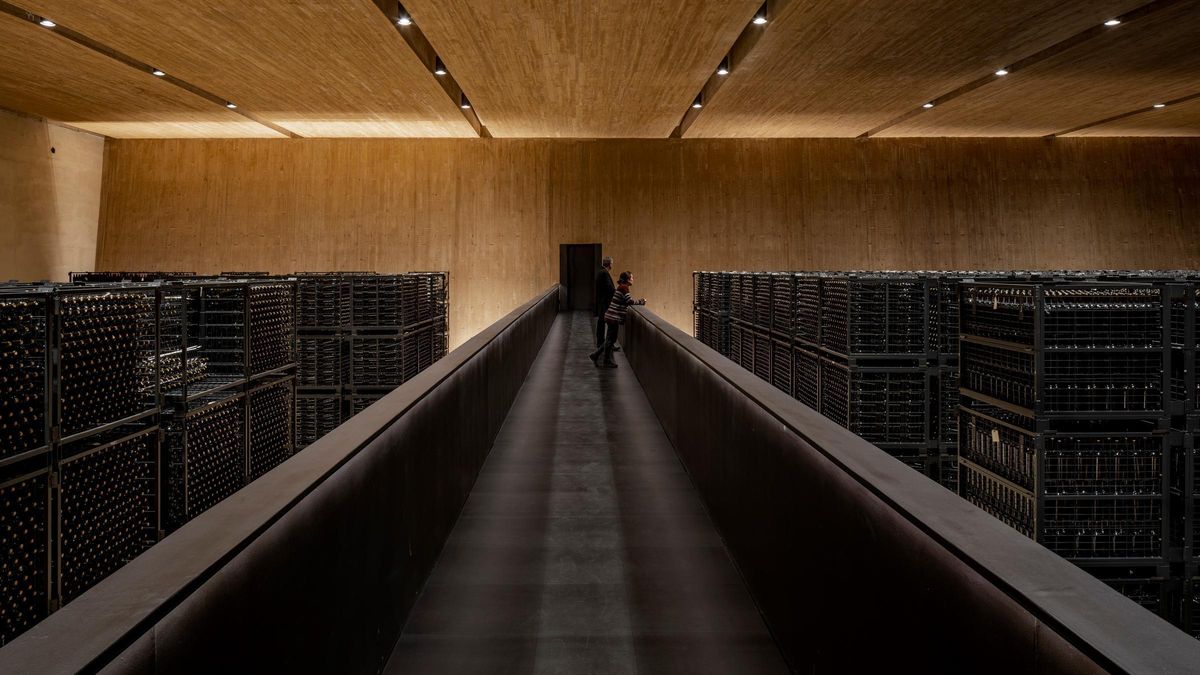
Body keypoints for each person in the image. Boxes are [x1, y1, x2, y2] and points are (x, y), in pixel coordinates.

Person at [589, 271, 645, 368]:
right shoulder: (624, 288)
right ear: (627, 280)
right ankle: (605, 359)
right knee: (611, 339)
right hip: (613, 317)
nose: (633, 279)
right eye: (631, 278)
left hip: (611, 316)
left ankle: (596, 355)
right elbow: (629, 301)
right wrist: (641, 301)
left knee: (611, 338)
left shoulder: (621, 287)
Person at [594, 256, 615, 348]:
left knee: (601, 323)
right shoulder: (604, 273)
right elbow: (609, 288)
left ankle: (602, 342)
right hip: (605, 303)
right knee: (607, 324)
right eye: (612, 264)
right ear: (610, 264)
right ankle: (605, 343)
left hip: (602, 302)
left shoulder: (601, 272)